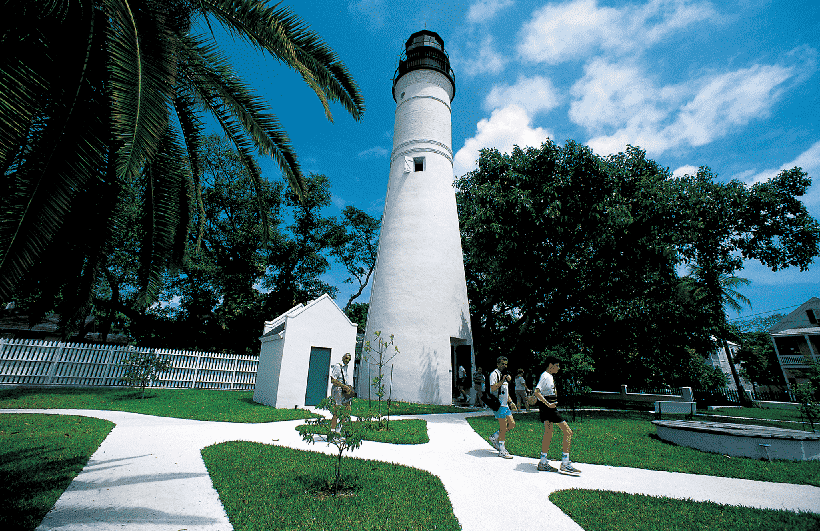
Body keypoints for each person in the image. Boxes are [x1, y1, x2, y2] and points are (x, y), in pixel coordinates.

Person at [533, 356, 581, 474]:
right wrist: (548, 404)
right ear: (551, 365)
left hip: (547, 408)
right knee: (568, 432)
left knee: (548, 433)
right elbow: (536, 392)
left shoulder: (549, 376)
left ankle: (543, 462)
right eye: (557, 365)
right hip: (549, 409)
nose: (559, 368)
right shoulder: (545, 376)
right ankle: (565, 463)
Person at [488, 356, 516, 459]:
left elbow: (505, 391)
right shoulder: (494, 374)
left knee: (512, 424)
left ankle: (495, 436)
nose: (505, 366)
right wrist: (502, 380)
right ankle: (502, 450)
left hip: (505, 404)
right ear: (497, 364)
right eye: (503, 364)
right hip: (498, 404)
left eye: (506, 364)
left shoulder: (504, 375)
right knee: (503, 427)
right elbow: (492, 388)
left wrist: (511, 402)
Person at [329, 352, 354, 433]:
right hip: (338, 391)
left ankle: (339, 430)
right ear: (343, 357)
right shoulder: (337, 366)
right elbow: (333, 380)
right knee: (337, 410)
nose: (347, 361)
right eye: (346, 358)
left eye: (349, 359)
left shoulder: (346, 367)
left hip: (344, 391)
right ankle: (332, 431)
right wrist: (344, 386)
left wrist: (349, 387)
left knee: (346, 410)